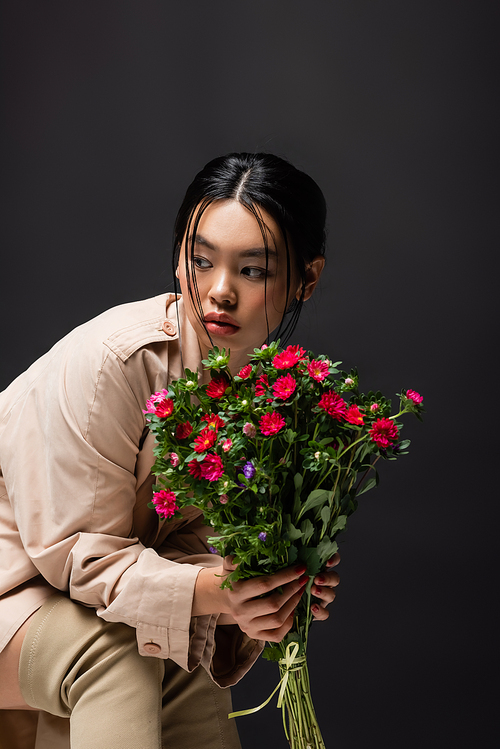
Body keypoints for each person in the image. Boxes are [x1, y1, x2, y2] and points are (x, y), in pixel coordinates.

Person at [0, 153, 341, 749]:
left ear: (306, 279)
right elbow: (86, 561)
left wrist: (270, 583)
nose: (218, 292)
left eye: (253, 271)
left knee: (182, 651)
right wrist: (221, 592)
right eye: (201, 261)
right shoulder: (118, 362)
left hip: (62, 606)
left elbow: (187, 553)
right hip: (20, 592)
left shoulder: (269, 399)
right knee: (117, 651)